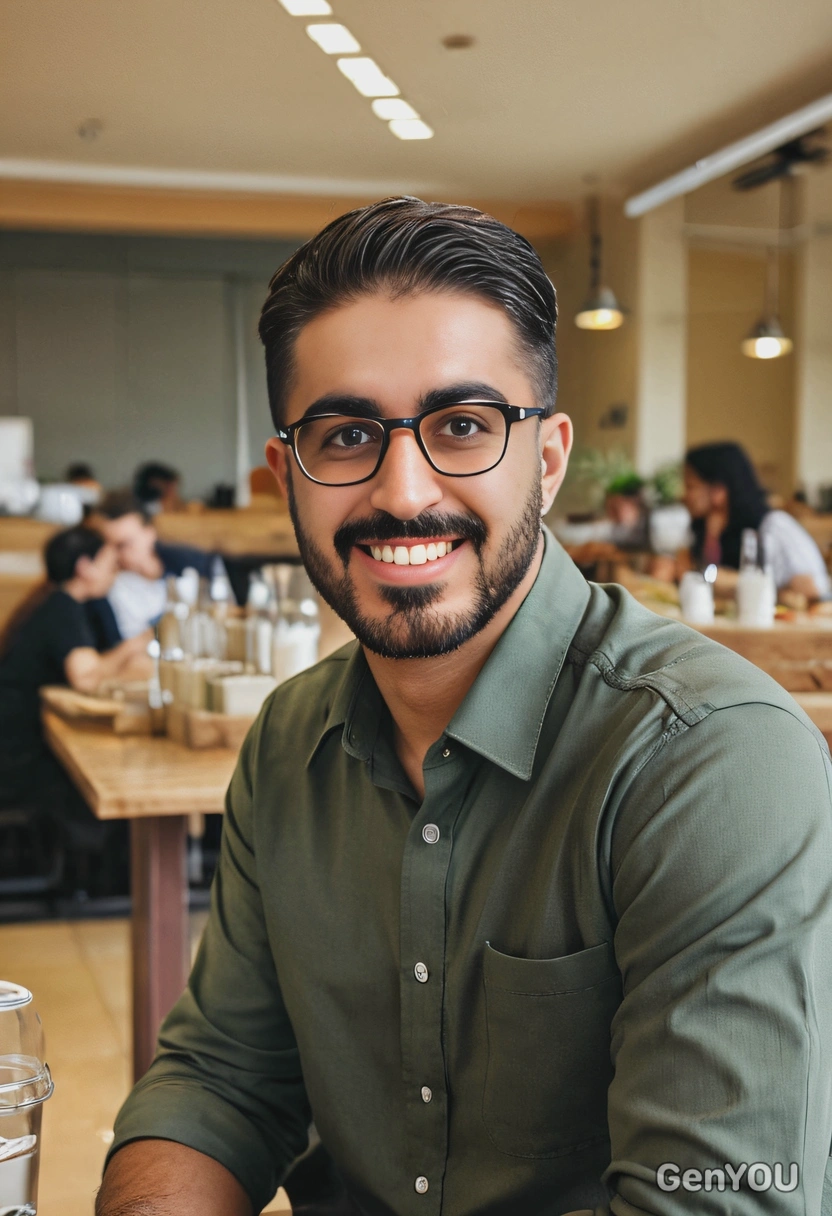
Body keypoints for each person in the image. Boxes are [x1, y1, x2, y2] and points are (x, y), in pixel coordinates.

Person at [98, 199, 832, 1216]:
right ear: (287, 476)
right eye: (346, 433)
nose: (404, 490)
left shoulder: (709, 759)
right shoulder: (286, 744)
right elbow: (221, 1077)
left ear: (548, 454)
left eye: (463, 426)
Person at [0, 525, 150, 888]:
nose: (114, 568)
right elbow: (85, 677)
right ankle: (101, 880)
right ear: (85, 567)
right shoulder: (62, 608)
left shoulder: (55, 602)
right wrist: (134, 646)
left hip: (17, 743)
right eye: (107, 562)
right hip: (18, 757)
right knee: (109, 777)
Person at [684, 441, 831, 601]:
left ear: (719, 491)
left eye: (690, 486)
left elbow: (813, 590)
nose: (684, 495)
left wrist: (738, 582)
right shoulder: (708, 529)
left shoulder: (774, 526)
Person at [87, 492, 217, 643]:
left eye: (124, 544)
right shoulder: (108, 591)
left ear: (150, 533)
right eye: (108, 546)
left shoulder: (192, 563)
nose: (116, 555)